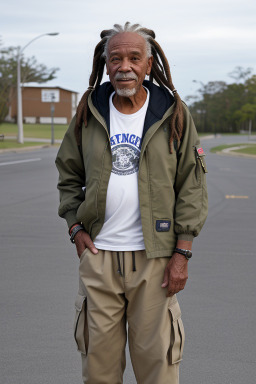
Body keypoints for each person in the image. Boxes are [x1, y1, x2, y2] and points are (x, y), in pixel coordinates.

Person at [55, 22, 208, 384]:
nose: (125, 66)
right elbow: (68, 174)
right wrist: (75, 227)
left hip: (155, 259)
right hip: (99, 258)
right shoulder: (88, 113)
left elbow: (192, 184)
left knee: (158, 368)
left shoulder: (174, 113)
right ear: (106, 65)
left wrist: (181, 253)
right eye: (116, 58)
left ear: (149, 64)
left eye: (134, 58)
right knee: (99, 369)